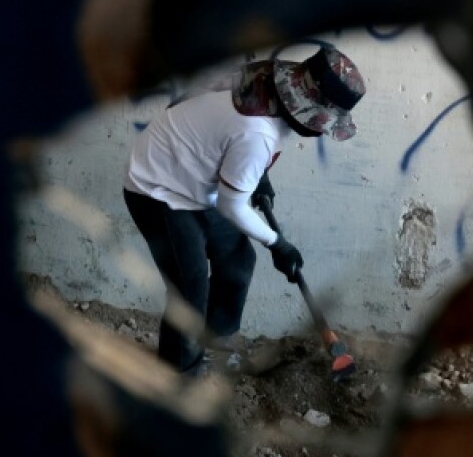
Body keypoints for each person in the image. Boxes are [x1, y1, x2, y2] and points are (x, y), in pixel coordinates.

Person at [122, 45, 366, 375]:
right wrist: (277, 244)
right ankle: (180, 376)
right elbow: (232, 204)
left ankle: (217, 344)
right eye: (322, 123)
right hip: (157, 187)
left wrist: (257, 177)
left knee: (237, 260)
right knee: (189, 289)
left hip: (195, 176)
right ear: (306, 110)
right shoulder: (258, 135)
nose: (320, 131)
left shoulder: (265, 78)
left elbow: (203, 114)